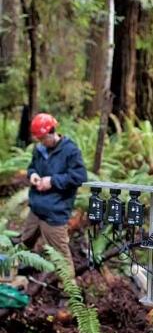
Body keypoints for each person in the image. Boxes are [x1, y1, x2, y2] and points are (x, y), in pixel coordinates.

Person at [20, 113, 87, 276]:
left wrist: (52, 181)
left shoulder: (70, 150)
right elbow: (32, 167)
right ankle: (26, 267)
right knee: (25, 241)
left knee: (60, 254)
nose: (41, 142)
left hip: (55, 211)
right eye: (39, 139)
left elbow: (79, 177)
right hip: (36, 208)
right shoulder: (40, 149)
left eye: (43, 138)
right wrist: (33, 175)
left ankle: (68, 293)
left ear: (51, 131)